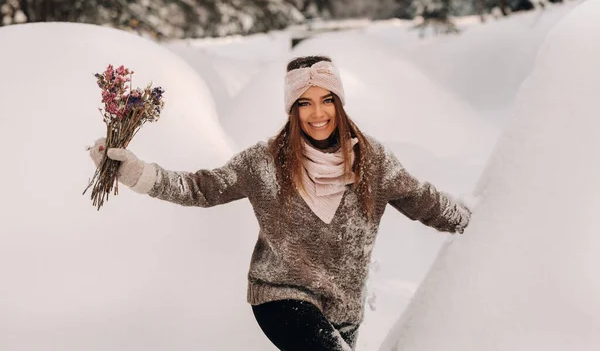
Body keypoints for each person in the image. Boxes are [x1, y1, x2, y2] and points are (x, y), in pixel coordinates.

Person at [89, 55, 472, 351]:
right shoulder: (265, 162)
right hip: (279, 295)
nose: (318, 113)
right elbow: (201, 188)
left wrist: (484, 221)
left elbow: (423, 200)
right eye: (304, 103)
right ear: (292, 109)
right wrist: (137, 172)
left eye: (326, 100)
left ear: (340, 102)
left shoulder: (373, 163)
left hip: (343, 308)